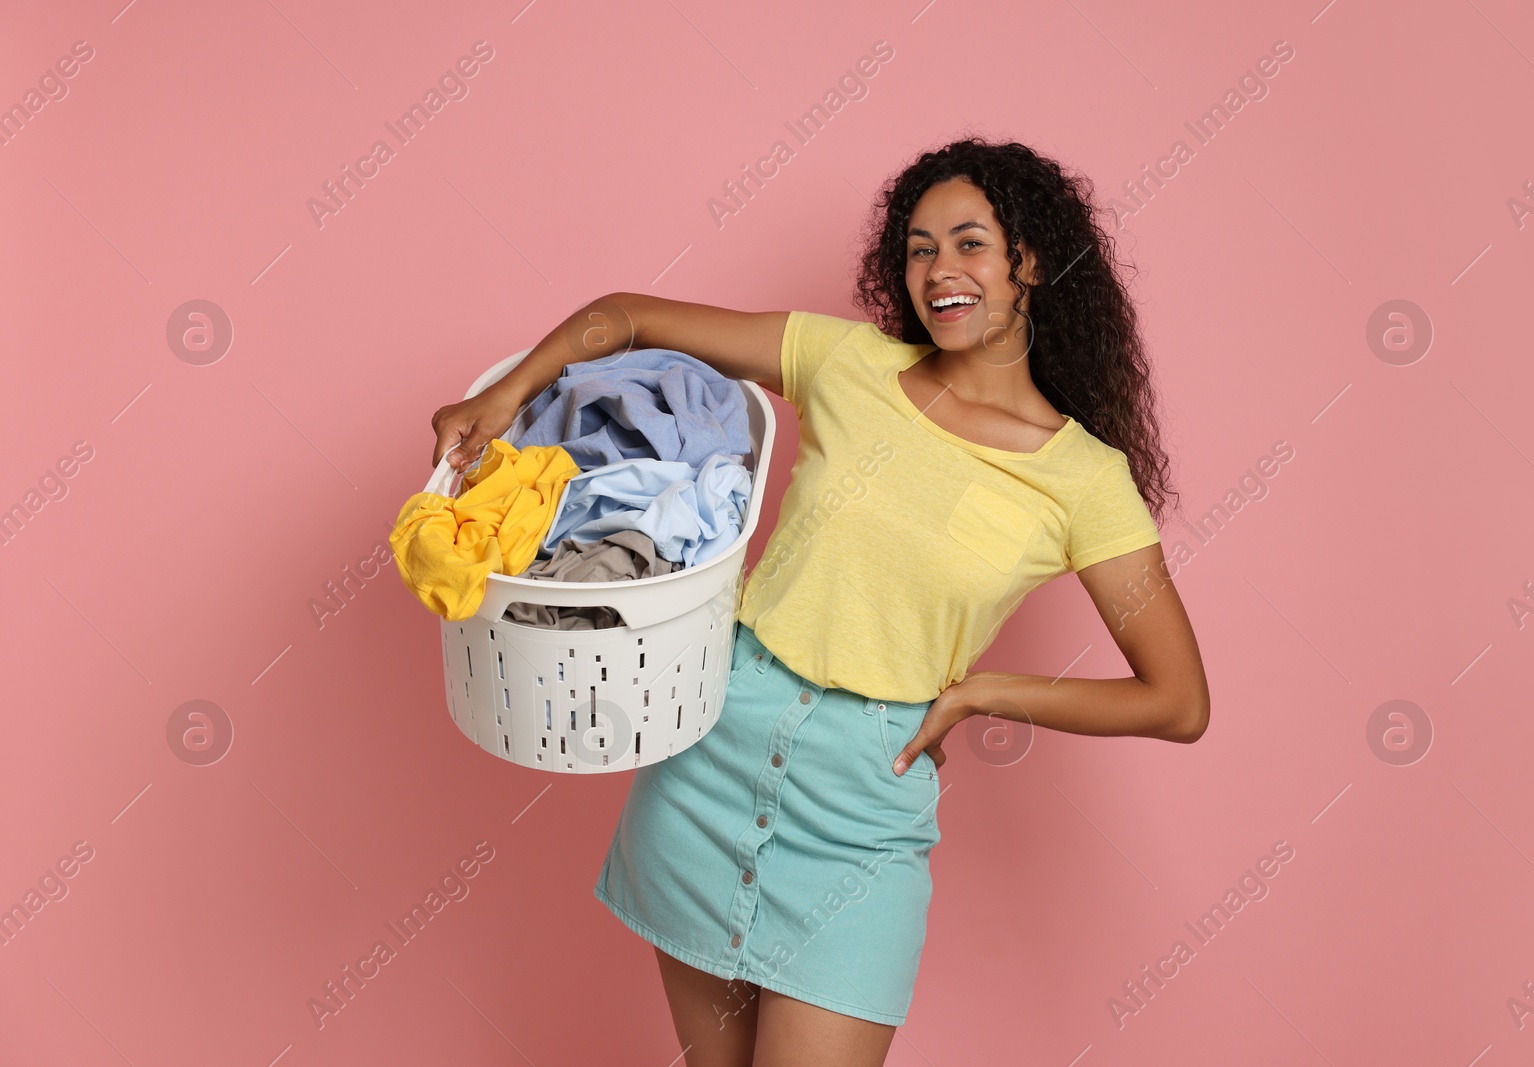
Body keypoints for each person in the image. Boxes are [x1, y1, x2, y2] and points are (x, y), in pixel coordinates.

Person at [428, 137, 1209, 1067]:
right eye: (920, 248)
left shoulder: (1085, 480)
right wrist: (507, 394)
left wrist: (986, 693)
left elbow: (1176, 700)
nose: (940, 271)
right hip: (710, 752)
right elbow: (628, 317)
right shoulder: (847, 361)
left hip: (864, 808)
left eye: (969, 244)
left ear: (1028, 263)